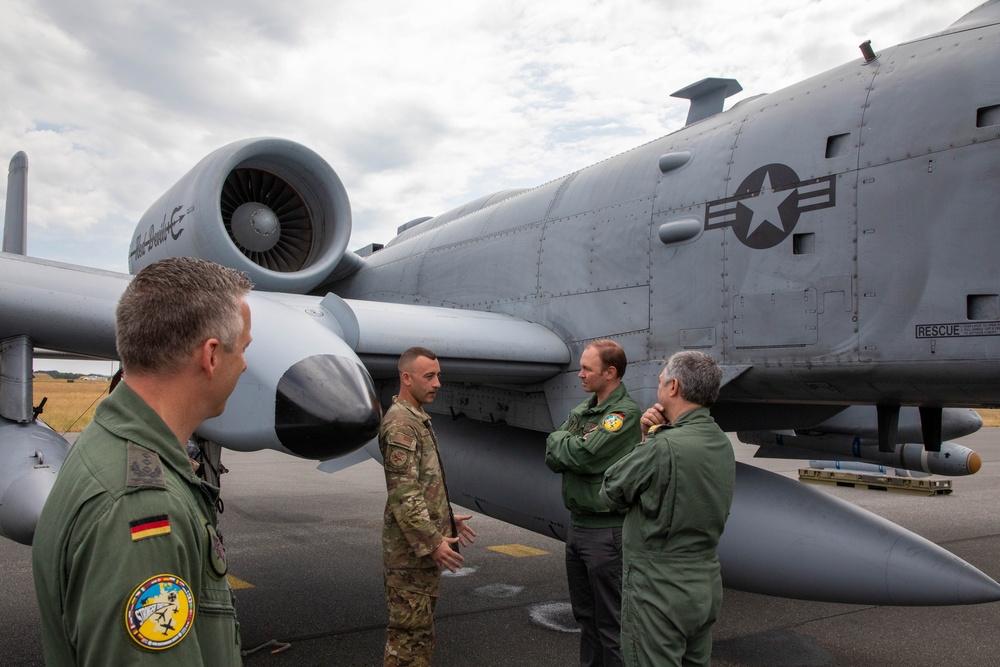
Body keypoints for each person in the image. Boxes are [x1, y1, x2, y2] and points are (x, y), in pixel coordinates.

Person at [32, 257, 253, 666]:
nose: (244, 363)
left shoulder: (111, 445)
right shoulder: (141, 508)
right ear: (211, 355)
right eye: (243, 348)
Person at [600, 351, 735, 667]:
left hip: (659, 591)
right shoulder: (719, 441)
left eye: (661, 380)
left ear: (673, 387)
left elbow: (611, 490)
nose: (658, 384)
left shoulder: (664, 446)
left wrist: (647, 441)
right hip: (705, 588)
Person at [545, 339, 642, 667]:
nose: (580, 374)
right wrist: (571, 445)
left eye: (587, 368)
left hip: (606, 533)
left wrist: (571, 445)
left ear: (610, 372)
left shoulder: (623, 415)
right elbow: (552, 449)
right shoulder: (584, 411)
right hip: (578, 529)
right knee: (586, 619)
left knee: (611, 624)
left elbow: (584, 456)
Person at [380, 346, 476, 666]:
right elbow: (404, 493)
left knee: (420, 634)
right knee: (406, 640)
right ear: (407, 379)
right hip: (408, 554)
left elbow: (423, 483)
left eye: (438, 376)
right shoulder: (400, 426)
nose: (437, 384)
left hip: (417, 549)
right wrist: (434, 541)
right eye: (429, 376)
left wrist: (445, 517)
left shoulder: (415, 418)